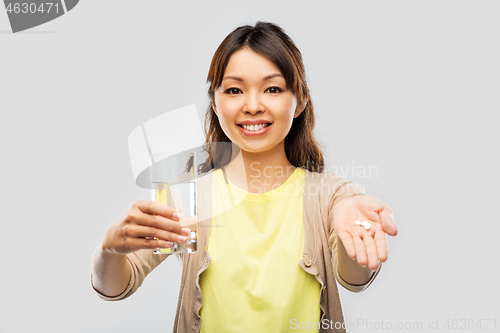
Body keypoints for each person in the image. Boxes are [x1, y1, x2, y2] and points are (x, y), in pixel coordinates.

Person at [91, 21, 398, 332]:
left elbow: (354, 280)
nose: (253, 106)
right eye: (234, 90)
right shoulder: (188, 196)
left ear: (300, 101)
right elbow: (115, 287)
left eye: (273, 89)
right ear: (214, 100)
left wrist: (353, 237)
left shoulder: (330, 195)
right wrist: (109, 249)